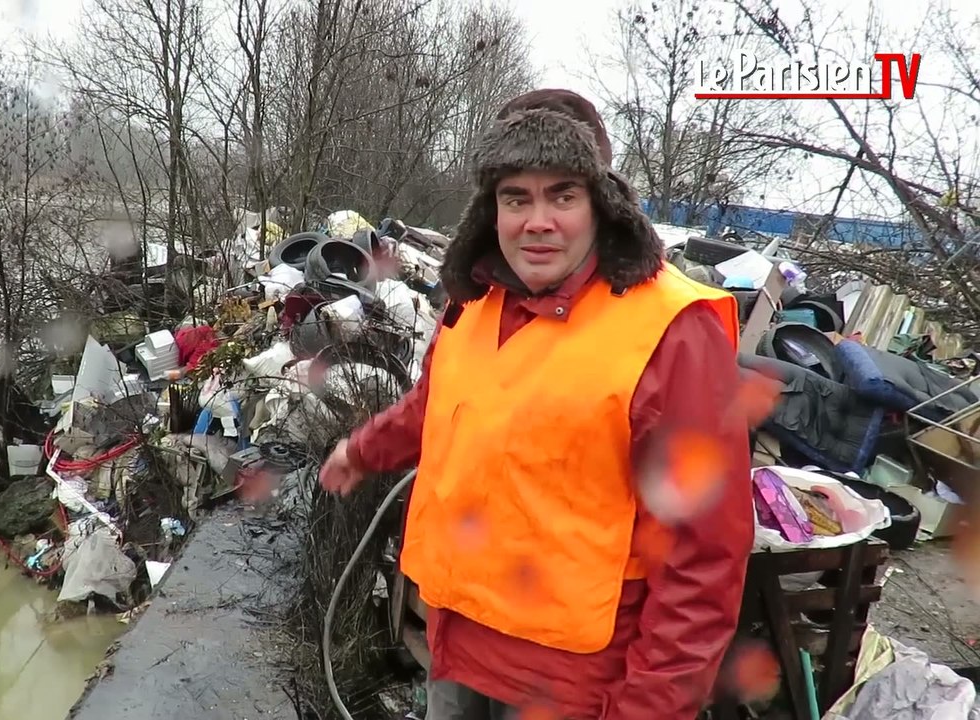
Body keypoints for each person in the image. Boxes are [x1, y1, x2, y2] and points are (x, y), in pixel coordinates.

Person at [319, 89, 754, 720]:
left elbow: (704, 554)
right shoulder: (471, 304)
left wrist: (654, 706)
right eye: (515, 197)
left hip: (574, 686)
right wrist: (362, 449)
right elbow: (439, 404)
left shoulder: (671, 332)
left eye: (562, 195)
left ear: (600, 205)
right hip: (457, 644)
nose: (537, 220)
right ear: (490, 209)